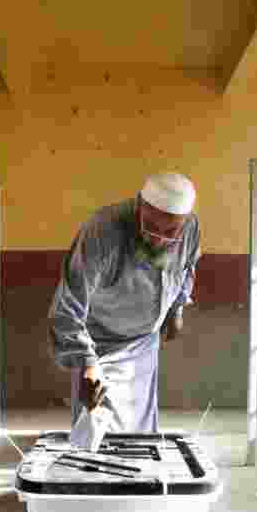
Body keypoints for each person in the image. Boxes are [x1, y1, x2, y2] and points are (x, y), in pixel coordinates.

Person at [49, 172, 200, 432]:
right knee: (97, 426)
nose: (158, 239)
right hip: (99, 342)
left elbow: (187, 266)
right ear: (140, 205)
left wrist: (177, 308)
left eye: (170, 232)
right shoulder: (102, 230)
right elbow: (67, 305)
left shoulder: (190, 227)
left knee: (140, 427)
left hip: (145, 342)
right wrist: (86, 362)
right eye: (151, 226)